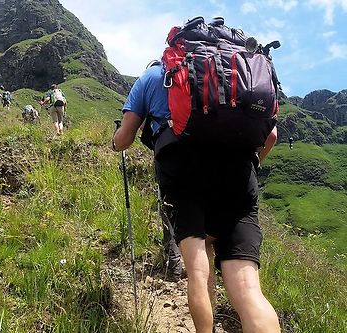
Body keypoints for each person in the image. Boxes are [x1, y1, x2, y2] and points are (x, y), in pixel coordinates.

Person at [113, 59, 280, 332]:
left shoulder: (152, 77)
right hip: (238, 172)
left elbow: (125, 138)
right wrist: (250, 166)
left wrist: (114, 139)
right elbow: (271, 134)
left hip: (184, 173)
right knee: (249, 289)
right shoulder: (234, 76)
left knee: (199, 272)